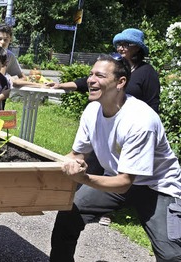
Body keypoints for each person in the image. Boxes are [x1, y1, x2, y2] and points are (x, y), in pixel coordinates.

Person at [49, 54, 181, 261]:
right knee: (69, 215)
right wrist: (42, 167)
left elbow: (124, 182)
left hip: (158, 186)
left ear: (121, 82)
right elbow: (76, 154)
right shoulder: (92, 110)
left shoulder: (140, 121)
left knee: (172, 255)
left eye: (99, 75)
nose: (91, 80)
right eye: (91, 74)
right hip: (116, 177)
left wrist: (84, 179)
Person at [49, 28, 160, 113]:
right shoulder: (116, 67)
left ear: (137, 48)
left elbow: (152, 105)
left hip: (133, 123)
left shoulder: (147, 72)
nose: (120, 48)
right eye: (119, 45)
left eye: (125, 45)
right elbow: (86, 82)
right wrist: (60, 85)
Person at [0, 23, 45, 89]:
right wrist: (11, 80)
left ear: (10, 40)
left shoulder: (10, 56)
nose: (2, 42)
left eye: (6, 40)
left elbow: (23, 77)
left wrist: (13, 80)